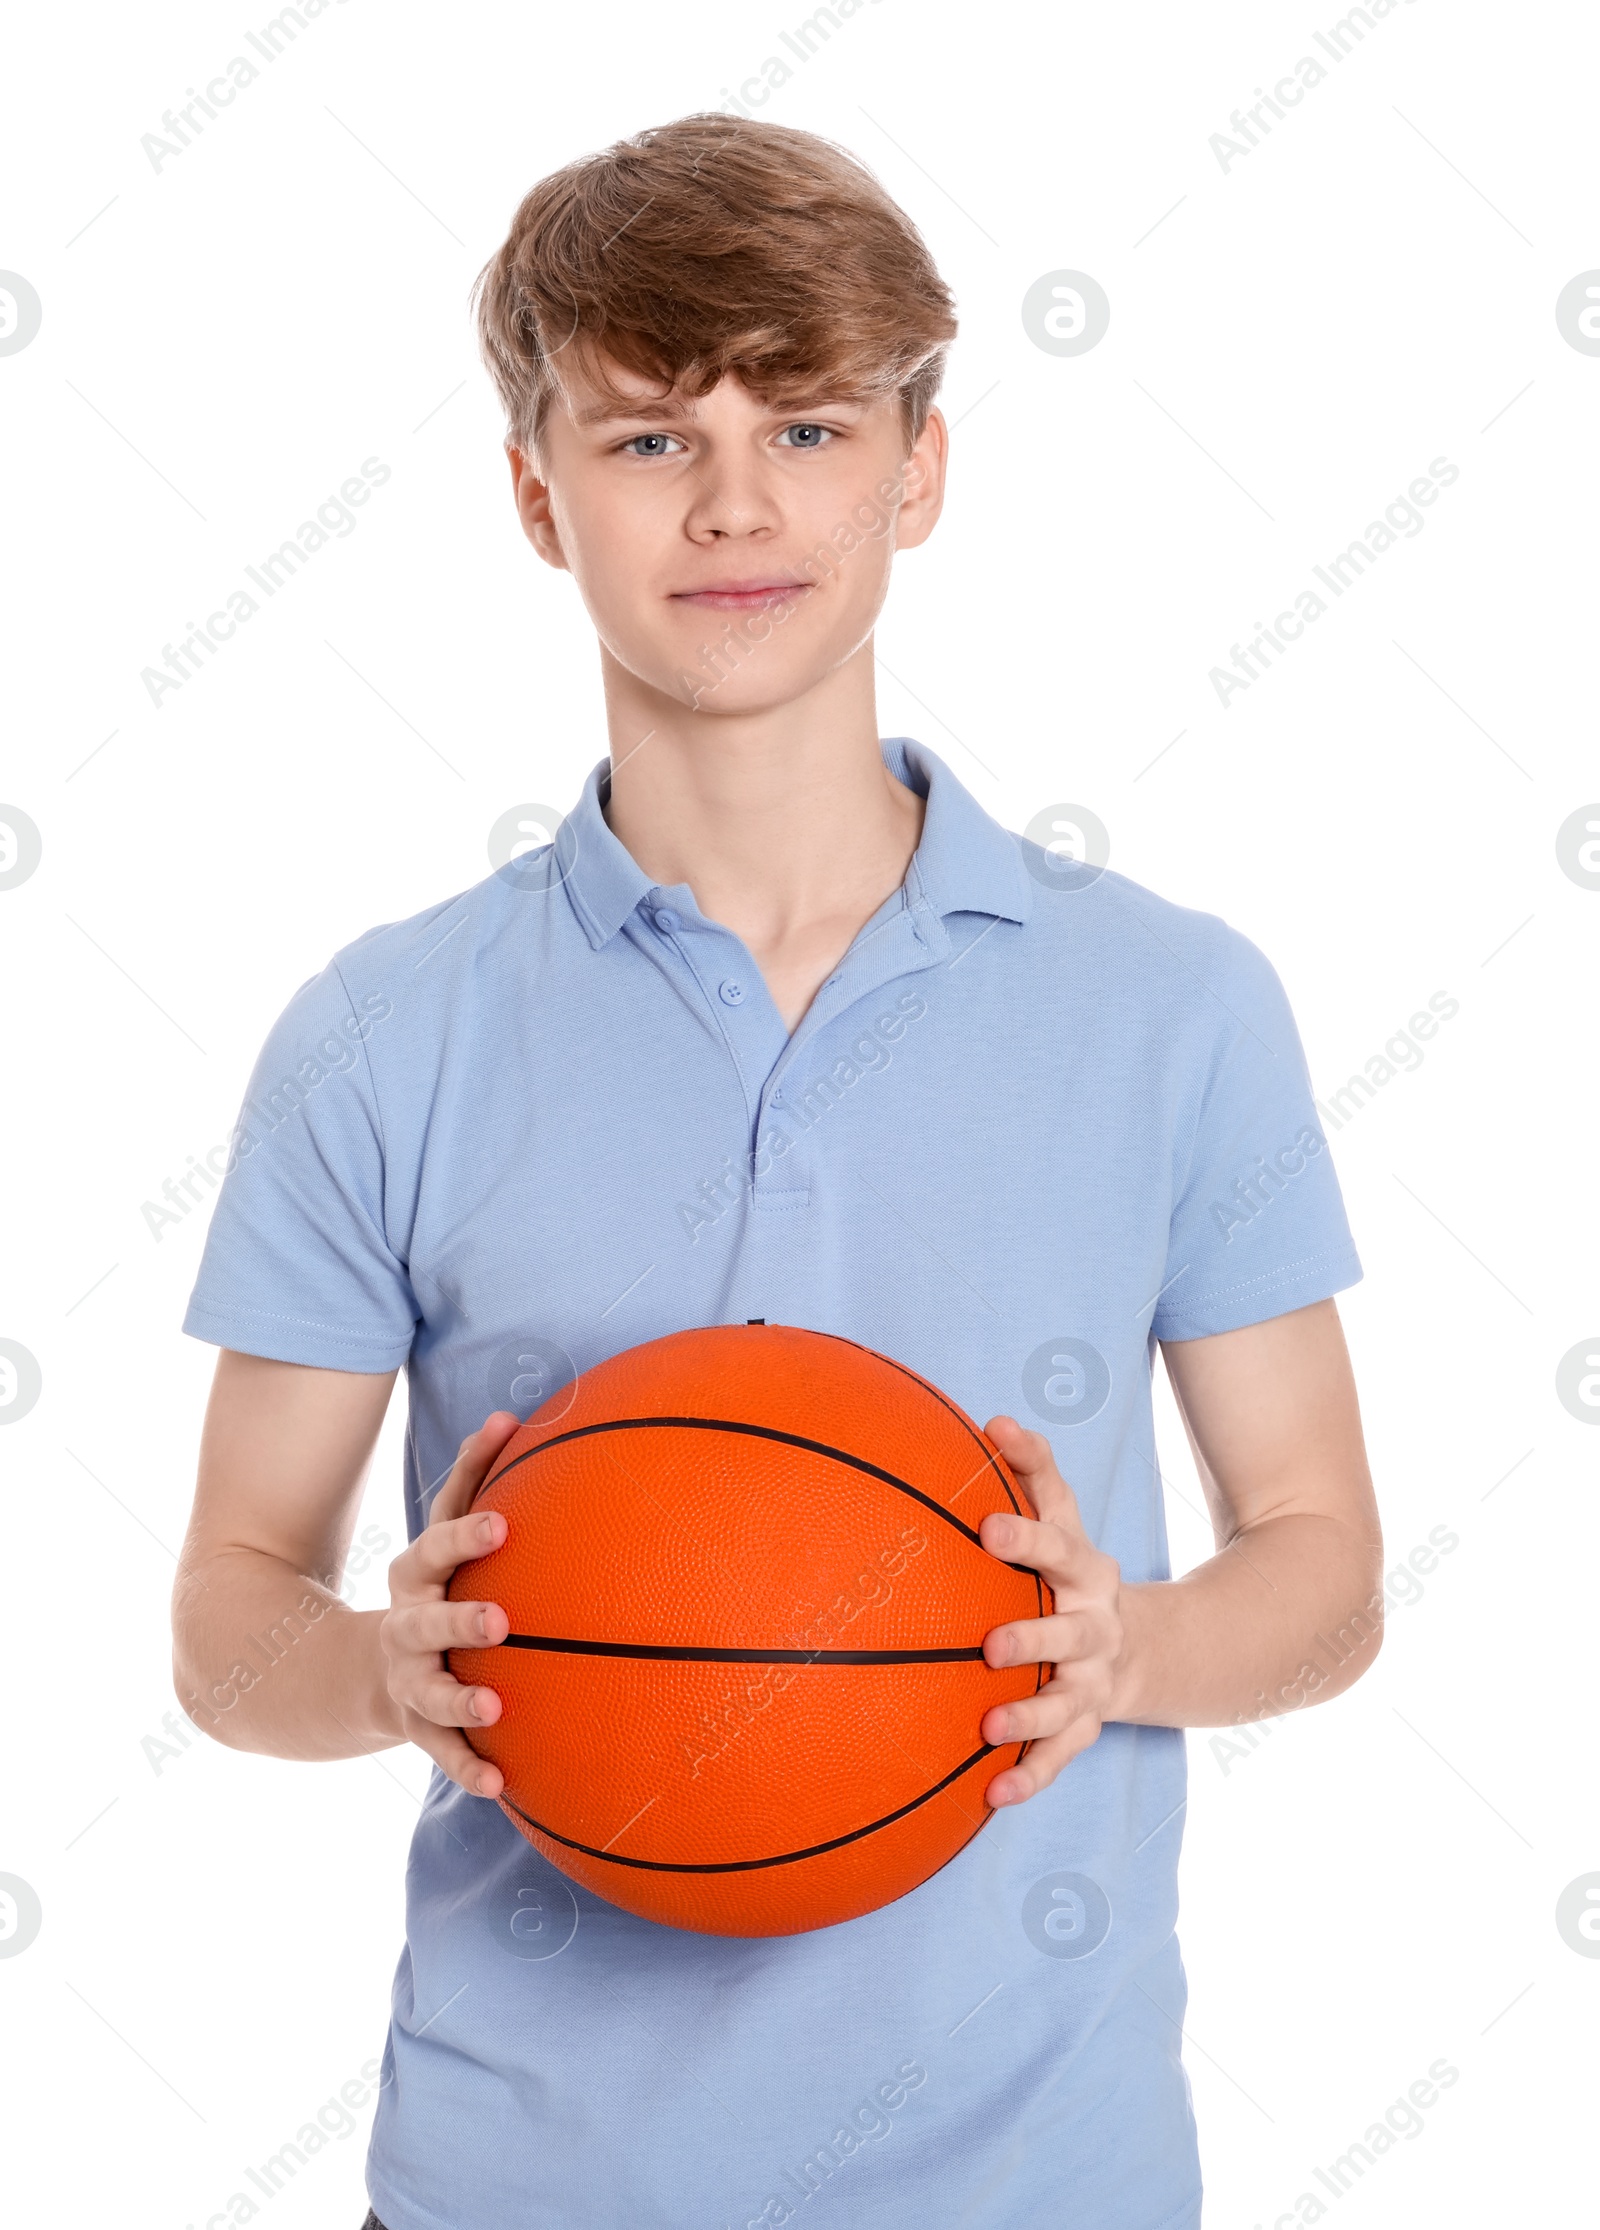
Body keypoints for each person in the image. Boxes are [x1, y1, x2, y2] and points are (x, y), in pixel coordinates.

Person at [172, 112, 1382, 2230]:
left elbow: (1323, 1566)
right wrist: (380, 1665)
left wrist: (1126, 1646)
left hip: (1044, 2182)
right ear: (535, 494)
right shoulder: (381, 1033)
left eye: (808, 422)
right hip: (514, 2180)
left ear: (917, 470)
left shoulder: (1172, 1005)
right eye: (647, 436)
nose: (735, 500)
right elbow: (220, 1611)